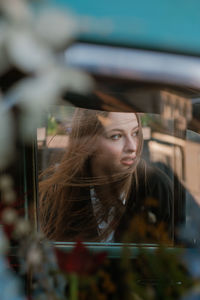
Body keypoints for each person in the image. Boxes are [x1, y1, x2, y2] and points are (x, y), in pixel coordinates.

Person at [39, 108, 173, 243]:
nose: (132, 147)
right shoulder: (60, 194)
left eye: (135, 133)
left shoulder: (155, 186)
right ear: (89, 143)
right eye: (116, 136)